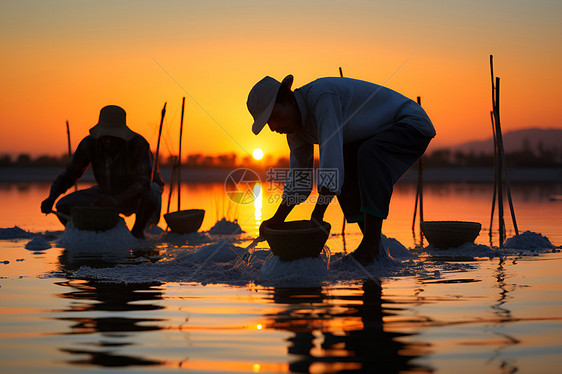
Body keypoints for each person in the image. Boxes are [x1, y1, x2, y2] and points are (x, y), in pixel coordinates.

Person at [247, 75, 436, 263]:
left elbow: (331, 160)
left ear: (289, 100)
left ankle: (370, 245)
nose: (273, 127)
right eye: (268, 123)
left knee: (367, 156)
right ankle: (374, 247)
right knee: (348, 166)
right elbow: (300, 179)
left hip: (409, 123)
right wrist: (277, 218)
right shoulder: (295, 129)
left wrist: (317, 216)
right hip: (374, 136)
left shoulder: (322, 97)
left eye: (274, 117)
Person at [41, 105, 164, 239]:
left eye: (114, 136)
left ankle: (137, 234)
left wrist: (115, 200)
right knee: (63, 205)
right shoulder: (90, 144)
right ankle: (93, 234)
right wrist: (51, 198)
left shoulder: (139, 145)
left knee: (153, 191)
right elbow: (69, 175)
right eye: (105, 136)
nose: (109, 141)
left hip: (136, 196)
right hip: (105, 193)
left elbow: (144, 183)